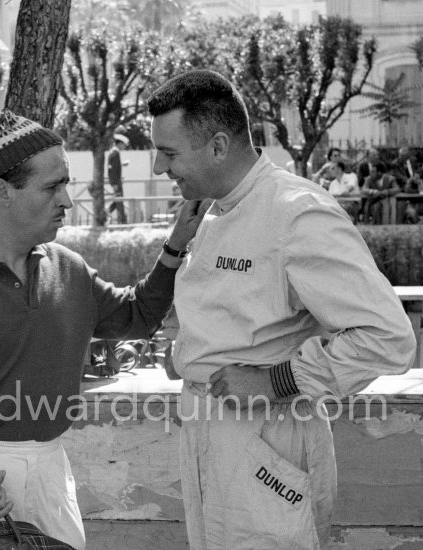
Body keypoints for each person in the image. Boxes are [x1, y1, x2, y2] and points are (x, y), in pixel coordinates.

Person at [0, 110, 204, 550]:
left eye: (66, 184)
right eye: (52, 185)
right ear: (3, 192)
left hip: (51, 473)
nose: (67, 200)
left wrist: (175, 247)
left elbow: (138, 317)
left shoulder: (69, 269)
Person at [147, 70, 415, 550]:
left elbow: (387, 338)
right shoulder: (212, 211)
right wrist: (189, 351)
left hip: (266, 439)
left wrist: (276, 381)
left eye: (168, 153)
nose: (158, 168)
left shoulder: (296, 212)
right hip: (207, 434)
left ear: (218, 145)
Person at [107, 133, 129, 224]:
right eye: (124, 144)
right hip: (116, 182)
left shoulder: (113, 152)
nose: (124, 146)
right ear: (119, 143)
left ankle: (107, 212)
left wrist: (122, 165)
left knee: (118, 200)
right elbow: (112, 170)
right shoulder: (116, 152)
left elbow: (114, 167)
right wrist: (114, 183)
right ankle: (122, 221)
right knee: (119, 201)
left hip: (116, 181)